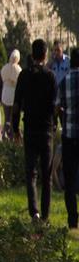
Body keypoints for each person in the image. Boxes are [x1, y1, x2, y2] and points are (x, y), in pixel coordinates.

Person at [18, 38, 59, 222]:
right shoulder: (50, 76)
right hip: (47, 130)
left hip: (30, 129)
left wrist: (13, 126)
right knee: (46, 175)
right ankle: (45, 215)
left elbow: (17, 103)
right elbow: (54, 105)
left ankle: (34, 211)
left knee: (31, 173)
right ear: (45, 55)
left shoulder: (24, 76)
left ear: (32, 54)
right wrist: (55, 123)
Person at [59, 44, 79, 229]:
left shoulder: (65, 80)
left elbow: (59, 105)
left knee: (70, 178)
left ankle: (73, 219)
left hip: (69, 134)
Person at [2, 48, 22, 141]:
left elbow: (2, 78)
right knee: (12, 117)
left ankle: (5, 134)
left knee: (6, 117)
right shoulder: (18, 69)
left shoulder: (5, 67)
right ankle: (12, 135)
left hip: (5, 92)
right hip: (13, 94)